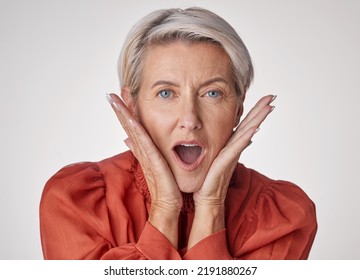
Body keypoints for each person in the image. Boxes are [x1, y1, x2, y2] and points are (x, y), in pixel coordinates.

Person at [39, 7, 317, 260]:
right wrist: (164, 208)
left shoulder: (284, 218)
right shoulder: (74, 201)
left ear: (238, 107)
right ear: (132, 106)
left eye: (212, 93)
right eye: (166, 93)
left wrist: (211, 206)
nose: (189, 119)